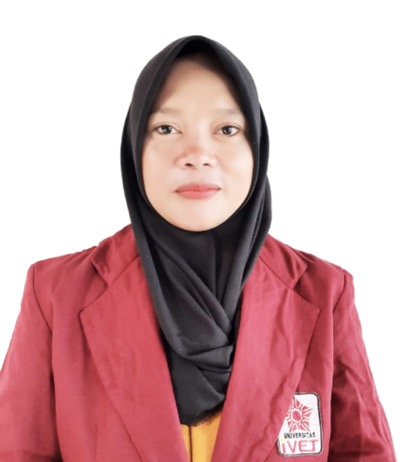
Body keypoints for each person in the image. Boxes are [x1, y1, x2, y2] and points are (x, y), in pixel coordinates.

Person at [0, 35, 396, 461]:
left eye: (227, 129)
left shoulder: (324, 292)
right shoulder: (57, 294)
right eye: (166, 129)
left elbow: (363, 453)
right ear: (135, 149)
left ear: (256, 148)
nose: (198, 155)